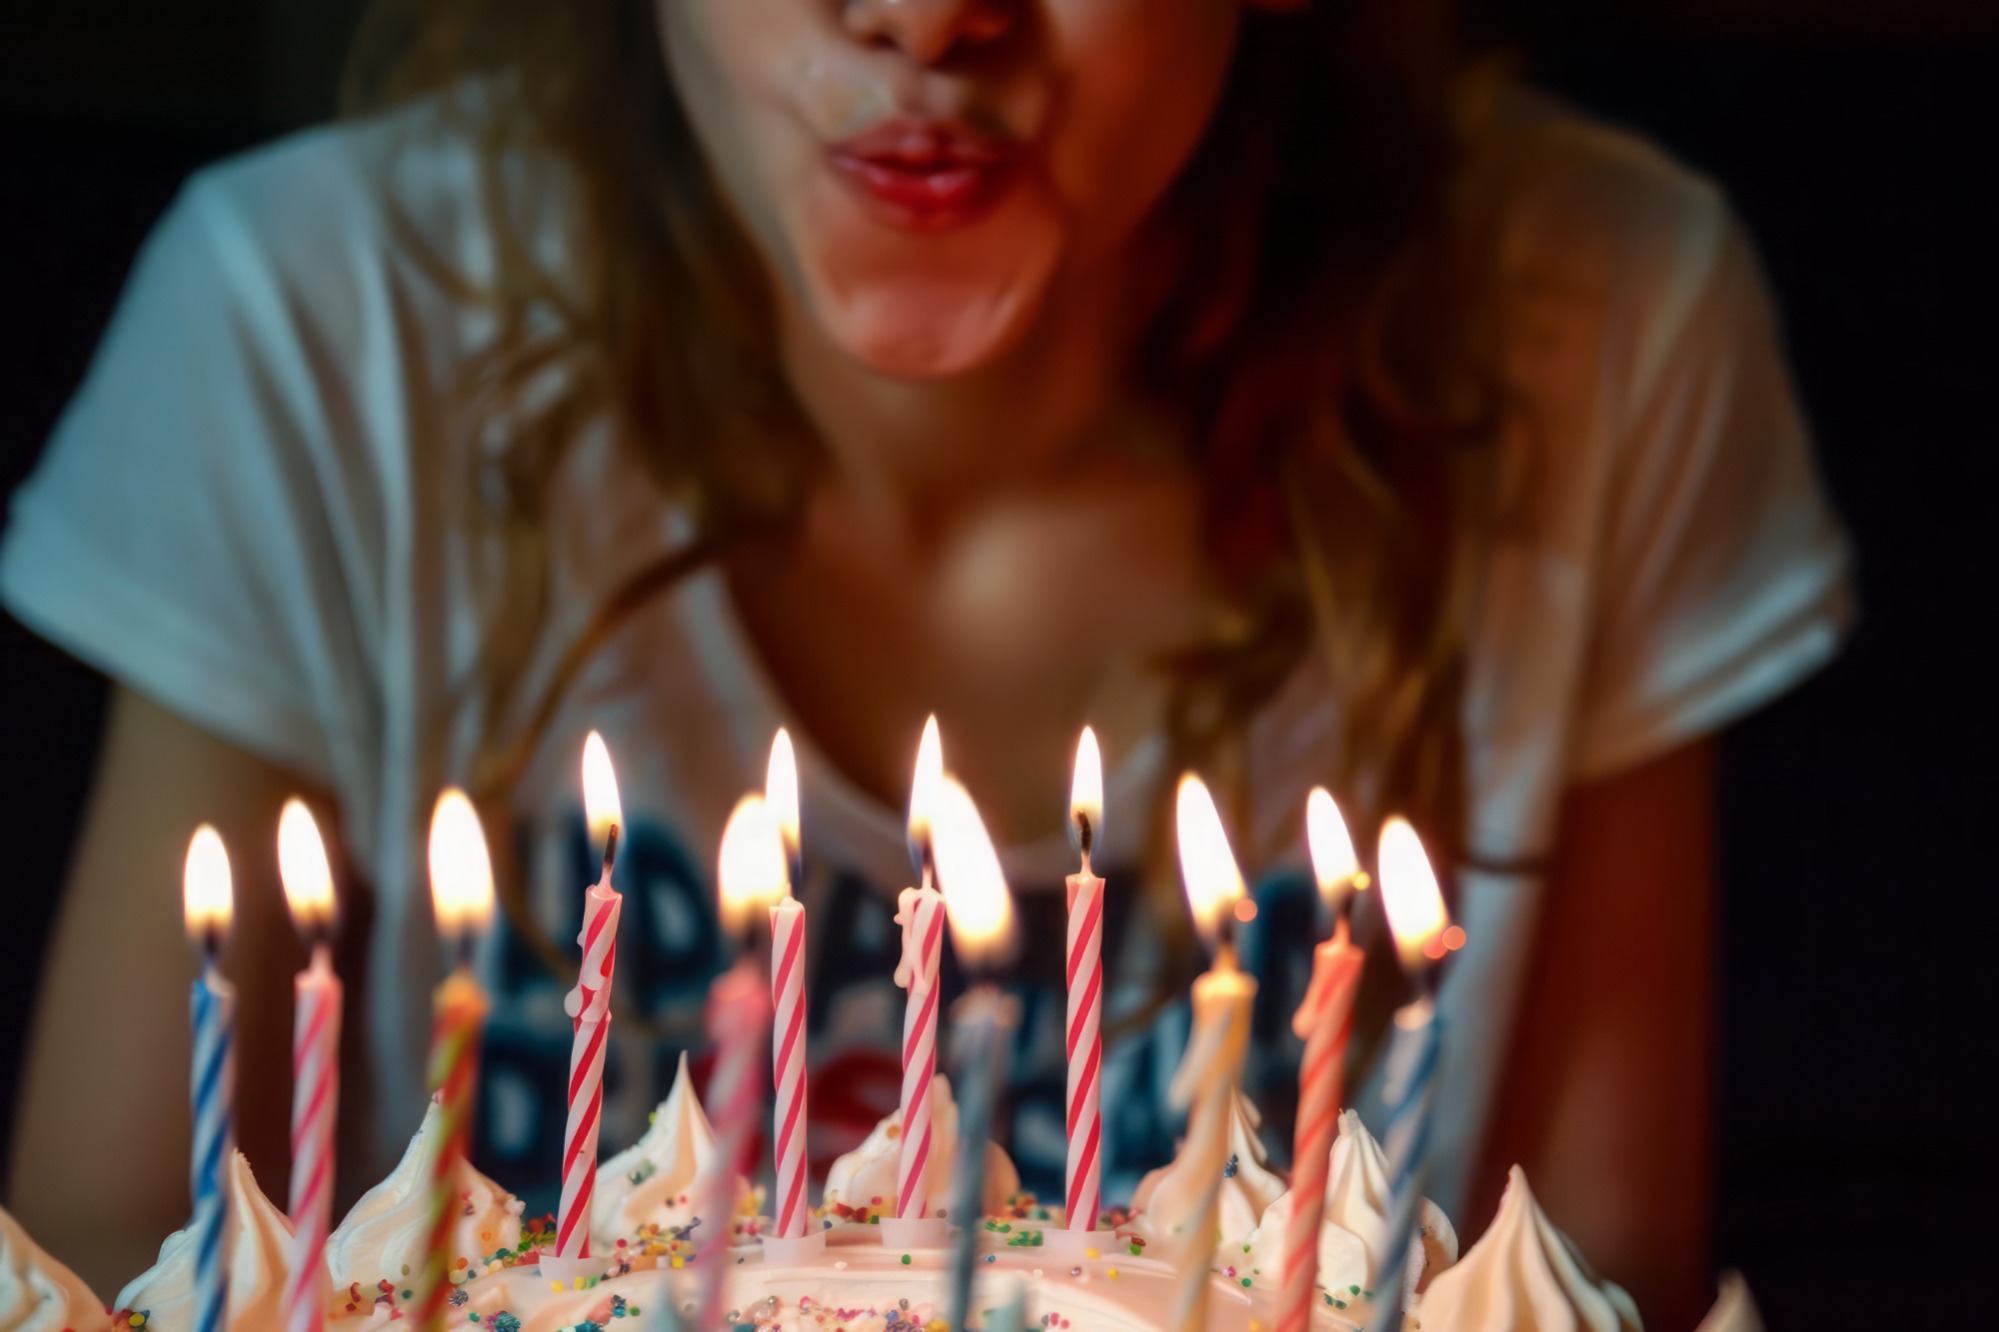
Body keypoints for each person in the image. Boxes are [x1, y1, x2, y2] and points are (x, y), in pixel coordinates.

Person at [0, 1, 1850, 1324]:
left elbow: (1587, 1276)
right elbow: (94, 1269)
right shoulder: (318, 330)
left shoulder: (1591, 335)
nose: (927, 19)